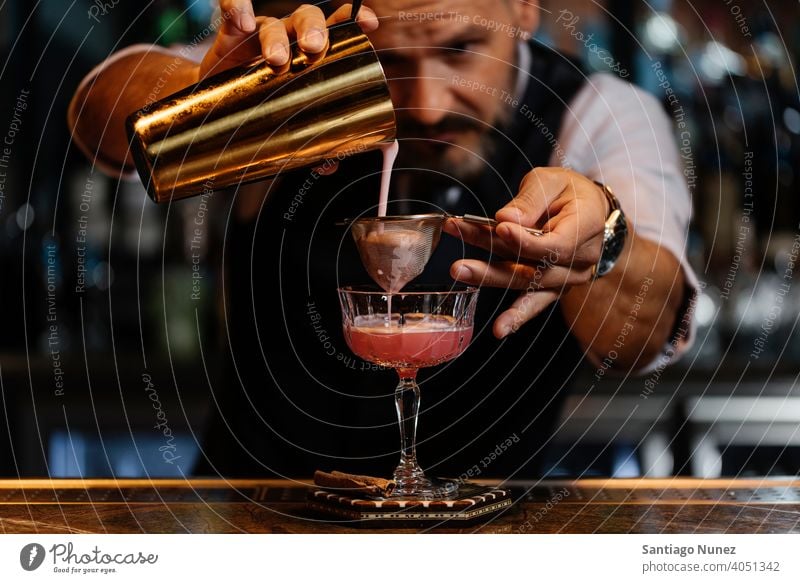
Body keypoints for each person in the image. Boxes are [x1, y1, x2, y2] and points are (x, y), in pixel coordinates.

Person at [69, 1, 698, 479]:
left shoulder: (603, 113)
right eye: (388, 60)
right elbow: (99, 111)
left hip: (494, 541)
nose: (424, 107)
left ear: (524, 9)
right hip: (254, 523)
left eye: (460, 50)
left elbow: (637, 343)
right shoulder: (294, 80)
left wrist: (606, 239)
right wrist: (210, 103)